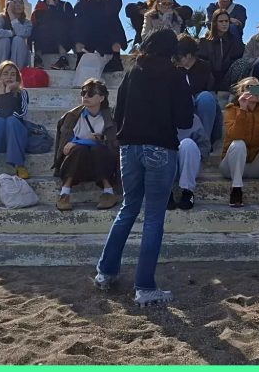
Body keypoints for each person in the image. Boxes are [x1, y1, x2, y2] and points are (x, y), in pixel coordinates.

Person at [95, 29, 193, 308]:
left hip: (129, 148)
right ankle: (145, 286)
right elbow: (185, 119)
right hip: (160, 147)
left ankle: (105, 272)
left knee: (128, 209)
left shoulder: (132, 71)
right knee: (153, 218)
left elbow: (117, 112)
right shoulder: (176, 75)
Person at [52, 78, 121, 212]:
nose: (85, 97)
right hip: (78, 162)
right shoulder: (72, 116)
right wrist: (81, 142)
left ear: (101, 98)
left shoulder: (111, 117)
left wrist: (89, 140)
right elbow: (65, 148)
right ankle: (64, 193)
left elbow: (113, 144)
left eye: (90, 94)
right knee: (79, 149)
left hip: (102, 162)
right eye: (83, 93)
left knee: (97, 148)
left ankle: (108, 192)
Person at [220, 77, 259, 208]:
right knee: (238, 144)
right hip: (230, 166)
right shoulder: (232, 110)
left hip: (255, 164)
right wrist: (242, 109)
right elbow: (235, 135)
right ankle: (236, 189)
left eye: (256, 88)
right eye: (249, 88)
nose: (253, 91)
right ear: (241, 92)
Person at [72, 0, 127, 84]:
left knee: (112, 17)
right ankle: (80, 56)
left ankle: (116, 58)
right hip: (89, 39)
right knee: (80, 18)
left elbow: (111, 10)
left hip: (107, 39)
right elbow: (77, 10)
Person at [170, 113, 211, 211]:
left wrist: (189, 157)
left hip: (189, 165)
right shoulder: (155, 116)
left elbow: (205, 147)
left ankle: (188, 192)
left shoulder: (192, 118)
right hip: (166, 166)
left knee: (187, 144)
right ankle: (167, 193)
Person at [126, 0, 192, 46]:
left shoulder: (172, 5)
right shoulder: (144, 5)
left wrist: (172, 11)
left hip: (171, 43)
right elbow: (129, 8)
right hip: (146, 43)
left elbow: (188, 11)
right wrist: (141, 11)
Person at [197, 9, 246, 91]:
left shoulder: (233, 40)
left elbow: (239, 57)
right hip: (210, 79)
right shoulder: (204, 41)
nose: (224, 24)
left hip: (227, 77)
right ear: (215, 23)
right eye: (221, 21)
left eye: (226, 21)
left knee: (243, 63)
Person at [30, 0, 74, 70]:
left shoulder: (66, 5)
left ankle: (63, 59)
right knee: (40, 26)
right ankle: (38, 58)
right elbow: (39, 22)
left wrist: (53, 8)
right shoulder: (40, 6)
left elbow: (70, 23)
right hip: (44, 43)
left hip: (62, 43)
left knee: (58, 24)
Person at [0, 0, 32, 69]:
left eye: (21, 3)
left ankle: (16, 71)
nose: (18, 5)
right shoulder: (0, 18)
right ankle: (0, 71)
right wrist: (11, 33)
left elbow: (23, 33)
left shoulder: (27, 22)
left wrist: (12, 18)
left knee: (18, 40)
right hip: (1, 53)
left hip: (20, 56)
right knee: (4, 40)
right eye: (14, 2)